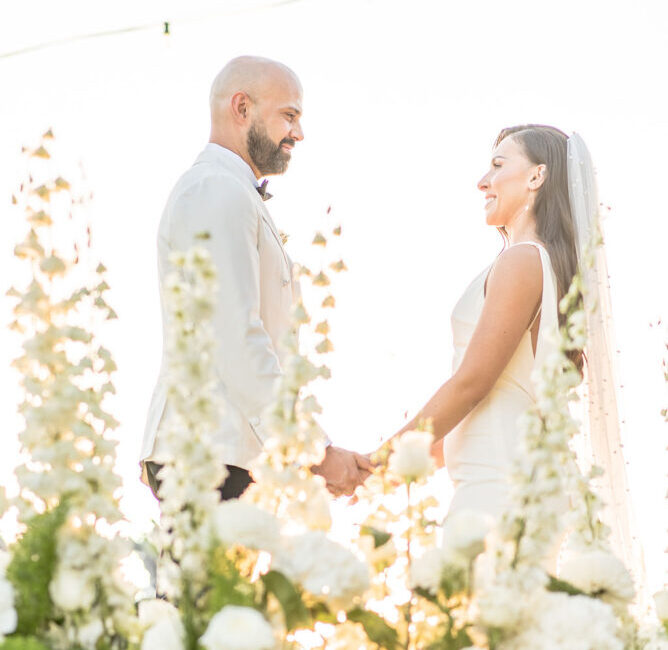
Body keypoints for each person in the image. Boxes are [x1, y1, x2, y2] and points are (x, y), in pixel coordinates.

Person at [386, 126, 640, 578]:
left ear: (537, 176)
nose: (483, 181)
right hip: (500, 477)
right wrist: (393, 467)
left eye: (498, 166)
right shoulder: (537, 261)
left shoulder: (523, 259)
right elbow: (488, 398)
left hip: (498, 485)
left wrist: (381, 459)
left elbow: (473, 383)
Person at [140, 56, 370, 501]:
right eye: (289, 115)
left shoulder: (231, 190)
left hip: (232, 454)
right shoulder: (215, 189)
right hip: (209, 457)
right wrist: (313, 451)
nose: (298, 134)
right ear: (241, 108)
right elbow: (234, 337)